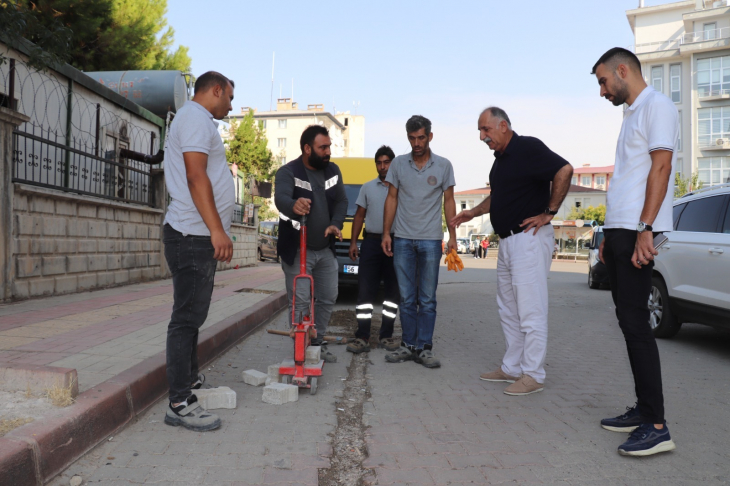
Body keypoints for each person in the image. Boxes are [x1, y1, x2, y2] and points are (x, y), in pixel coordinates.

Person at [451, 107, 573, 395]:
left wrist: (549, 212)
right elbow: (498, 197)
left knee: (530, 309)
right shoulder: (500, 162)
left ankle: (533, 374)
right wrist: (474, 213)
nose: (482, 137)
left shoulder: (528, 147)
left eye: (486, 130)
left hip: (528, 239)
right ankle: (513, 367)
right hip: (507, 242)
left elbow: (564, 170)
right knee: (508, 308)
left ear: (503, 125)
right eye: (480, 131)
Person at [592, 47, 677, 457]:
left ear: (622, 70)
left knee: (637, 324)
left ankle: (657, 425)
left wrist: (645, 228)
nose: (602, 91)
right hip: (622, 229)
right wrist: (612, 232)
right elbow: (629, 176)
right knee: (628, 321)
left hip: (639, 229)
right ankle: (645, 409)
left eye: (604, 81)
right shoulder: (632, 114)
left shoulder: (657, 106)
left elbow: (661, 167)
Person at [163, 71, 236, 432]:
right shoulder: (194, 118)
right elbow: (196, 176)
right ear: (217, 90)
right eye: (230, 99)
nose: (231, 106)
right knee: (186, 318)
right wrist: (217, 229)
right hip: (192, 235)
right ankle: (178, 402)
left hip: (194, 234)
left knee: (193, 315)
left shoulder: (196, 120)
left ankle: (188, 384)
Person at [382, 115, 457, 369]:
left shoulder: (444, 166)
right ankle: (407, 345)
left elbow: (449, 201)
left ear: (430, 137)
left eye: (421, 137)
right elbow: (391, 198)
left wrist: (453, 237)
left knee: (427, 299)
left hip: (430, 241)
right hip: (402, 239)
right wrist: (386, 233)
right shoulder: (399, 165)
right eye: (412, 138)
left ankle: (424, 348)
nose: (417, 143)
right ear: (407, 137)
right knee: (406, 298)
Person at [275, 125, 348, 364]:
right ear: (307, 149)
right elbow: (281, 198)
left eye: (329, 146)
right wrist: (293, 205)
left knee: (328, 296)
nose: (328, 152)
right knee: (301, 301)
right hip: (298, 251)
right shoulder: (288, 172)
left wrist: (336, 223)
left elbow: (341, 201)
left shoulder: (333, 171)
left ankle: (316, 343)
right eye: (323, 147)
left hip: (325, 250)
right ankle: (300, 348)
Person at [346, 145, 401, 354]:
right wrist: (353, 242)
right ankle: (362, 337)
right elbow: (359, 215)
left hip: (396, 244)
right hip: (370, 243)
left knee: (392, 292)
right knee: (365, 291)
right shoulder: (367, 187)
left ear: (393, 164)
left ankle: (386, 336)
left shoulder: (401, 188)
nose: (382, 166)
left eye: (386, 162)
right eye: (379, 162)